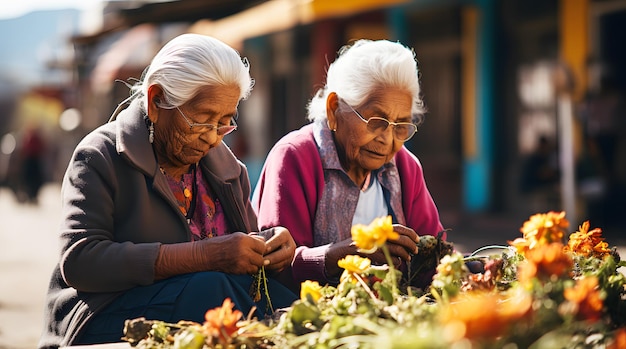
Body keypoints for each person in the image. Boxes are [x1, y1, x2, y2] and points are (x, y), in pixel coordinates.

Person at [38, 34, 297, 349]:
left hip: (200, 305)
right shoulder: (101, 155)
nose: (213, 139)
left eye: (224, 123)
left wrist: (267, 249)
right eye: (202, 121)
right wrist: (206, 256)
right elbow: (80, 261)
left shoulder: (227, 169)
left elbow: (242, 266)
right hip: (105, 313)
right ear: (157, 101)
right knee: (211, 289)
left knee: (292, 309)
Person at [252, 39, 445, 291]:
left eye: (400, 126)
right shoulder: (294, 157)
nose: (387, 139)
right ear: (334, 109)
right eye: (376, 120)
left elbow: (434, 256)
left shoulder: (405, 166)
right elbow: (275, 269)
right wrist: (347, 254)